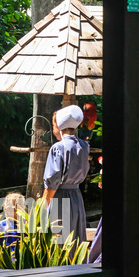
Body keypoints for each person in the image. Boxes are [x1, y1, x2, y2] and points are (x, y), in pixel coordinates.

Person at [85, 153, 139, 277]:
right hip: (125, 203)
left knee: (117, 247)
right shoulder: (133, 152)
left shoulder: (126, 151)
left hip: (124, 203)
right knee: (116, 246)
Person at [43, 105, 90, 250]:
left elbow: (52, 183)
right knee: (75, 241)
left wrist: (41, 209)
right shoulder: (84, 146)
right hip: (76, 197)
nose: (53, 129)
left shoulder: (58, 148)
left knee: (59, 244)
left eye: (53, 125)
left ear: (60, 127)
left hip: (59, 198)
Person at [0, 192, 25, 259]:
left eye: (13, 210)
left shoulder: (27, 226)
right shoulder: (0, 227)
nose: (9, 212)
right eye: (7, 209)